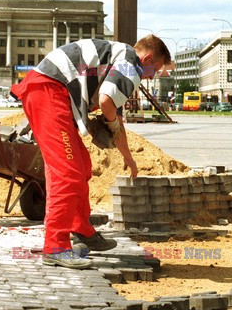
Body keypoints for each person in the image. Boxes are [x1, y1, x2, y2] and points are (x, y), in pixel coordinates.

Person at [11, 35, 170, 268]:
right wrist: (111, 122)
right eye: (153, 70)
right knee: (67, 174)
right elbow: (107, 102)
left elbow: (114, 118)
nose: (150, 76)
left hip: (50, 90)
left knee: (82, 166)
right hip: (50, 91)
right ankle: (56, 245)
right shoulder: (131, 62)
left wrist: (128, 157)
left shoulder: (115, 57)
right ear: (146, 58)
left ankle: (82, 229)